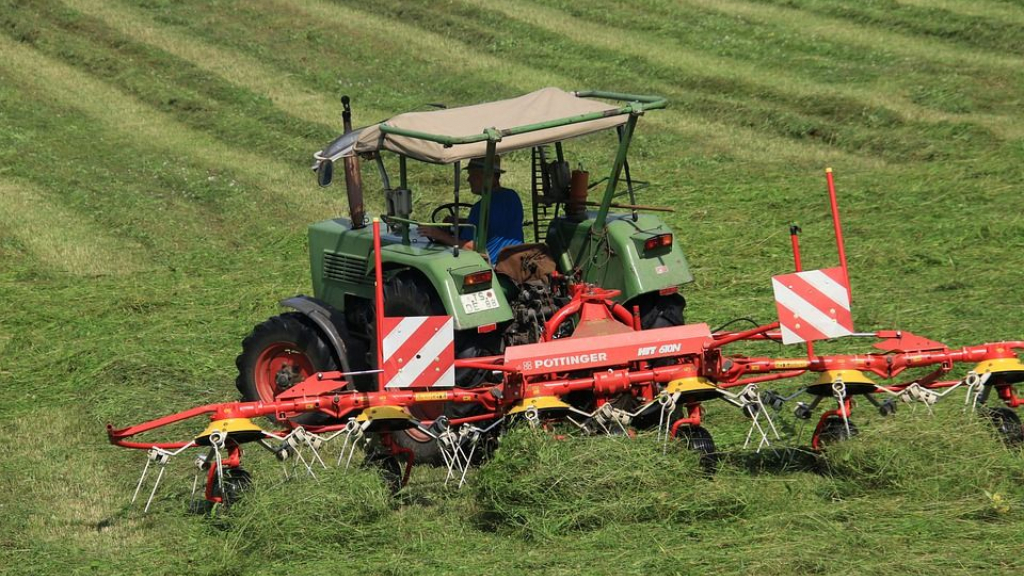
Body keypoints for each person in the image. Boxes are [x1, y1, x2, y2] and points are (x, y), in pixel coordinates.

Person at [420, 156, 524, 262]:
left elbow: (470, 247)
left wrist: (439, 235)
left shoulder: (480, 207)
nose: (468, 179)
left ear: (487, 177)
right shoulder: (512, 196)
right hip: (516, 261)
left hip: (492, 264)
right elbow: (496, 225)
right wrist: (461, 222)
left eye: (473, 175)